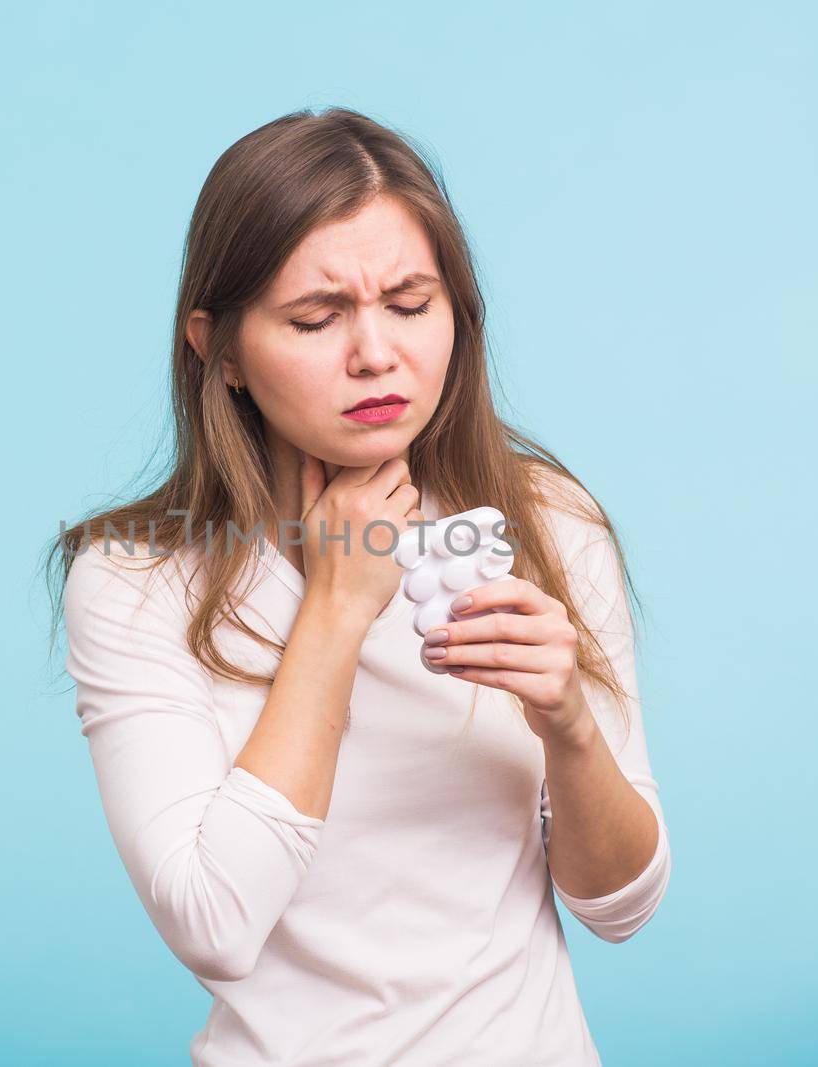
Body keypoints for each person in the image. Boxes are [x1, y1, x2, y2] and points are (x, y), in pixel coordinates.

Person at [44, 106, 670, 1066]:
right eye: (315, 317)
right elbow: (216, 921)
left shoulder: (542, 521)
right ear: (217, 348)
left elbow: (622, 908)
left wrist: (570, 725)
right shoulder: (135, 583)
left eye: (411, 305)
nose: (375, 354)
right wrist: (336, 607)